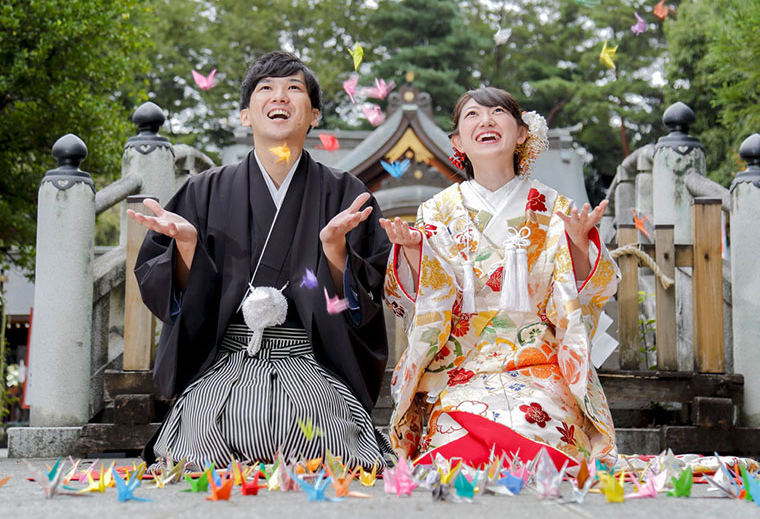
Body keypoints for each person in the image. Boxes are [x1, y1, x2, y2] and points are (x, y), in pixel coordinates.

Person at [128, 51, 391, 469]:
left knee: (315, 435)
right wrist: (188, 249)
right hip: (230, 363)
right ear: (246, 116)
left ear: (314, 115)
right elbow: (173, 296)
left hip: (310, 364)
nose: (279, 97)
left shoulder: (344, 193)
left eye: (294, 89)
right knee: (213, 433)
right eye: (265, 89)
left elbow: (366, 297)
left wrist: (335, 252)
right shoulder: (204, 190)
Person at [380, 88, 620, 469]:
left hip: (538, 366)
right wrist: (413, 252)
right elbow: (425, 299)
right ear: (457, 141)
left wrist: (577, 244)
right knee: (458, 452)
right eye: (472, 115)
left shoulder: (555, 207)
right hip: (462, 367)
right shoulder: (437, 210)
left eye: (497, 112)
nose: (486, 120)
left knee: (532, 427)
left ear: (522, 133)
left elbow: (579, 296)